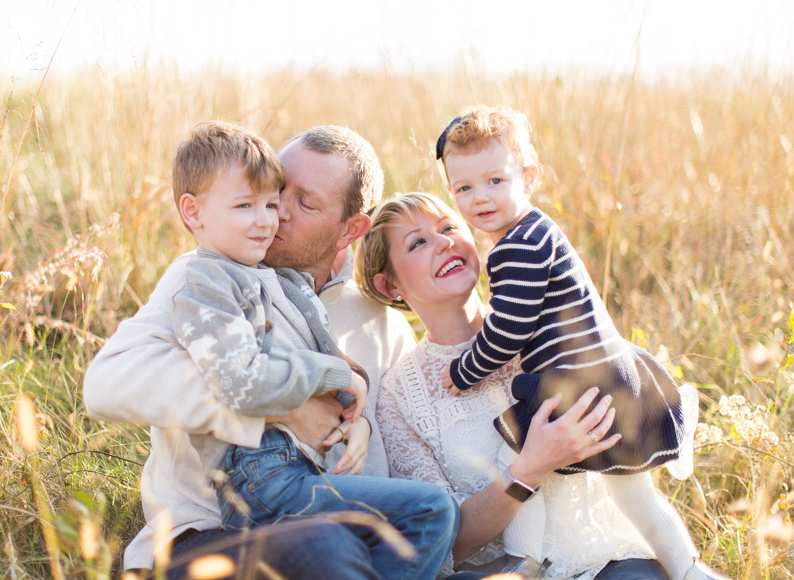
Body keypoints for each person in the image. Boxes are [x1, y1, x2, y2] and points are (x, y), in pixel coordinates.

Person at [82, 125, 441, 579]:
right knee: (324, 546)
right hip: (206, 535)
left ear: (352, 229)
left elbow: (400, 474)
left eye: (301, 203)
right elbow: (104, 385)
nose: (275, 215)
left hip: (336, 532)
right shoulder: (206, 277)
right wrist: (281, 409)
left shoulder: (381, 324)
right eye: (273, 189)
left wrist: (359, 421)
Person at [431, 105, 723, 580]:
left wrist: (463, 370)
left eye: (495, 181)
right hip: (608, 372)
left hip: (579, 381)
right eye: (464, 188)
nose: (480, 197)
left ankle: (521, 565)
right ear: (451, 191)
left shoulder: (516, 246)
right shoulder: (535, 230)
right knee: (634, 495)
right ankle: (690, 572)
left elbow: (509, 329)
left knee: (521, 466)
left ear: (528, 177)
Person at [356, 191, 709, 579]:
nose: (443, 242)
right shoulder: (399, 395)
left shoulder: (551, 328)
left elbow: (627, 415)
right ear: (390, 286)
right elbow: (446, 542)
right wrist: (528, 469)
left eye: (449, 227)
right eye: (418, 242)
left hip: (605, 558)